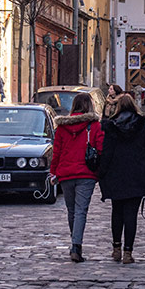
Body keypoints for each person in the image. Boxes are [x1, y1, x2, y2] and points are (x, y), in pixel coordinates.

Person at [98, 94, 145, 264]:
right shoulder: (141, 127)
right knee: (130, 215)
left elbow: (107, 153)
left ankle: (116, 248)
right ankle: (128, 252)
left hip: (116, 175)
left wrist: (100, 173)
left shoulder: (111, 127)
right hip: (136, 175)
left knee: (117, 212)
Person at [50, 92, 104, 263]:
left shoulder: (62, 127)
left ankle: (75, 243)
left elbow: (56, 152)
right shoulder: (94, 126)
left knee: (72, 211)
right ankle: (76, 246)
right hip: (86, 174)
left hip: (65, 173)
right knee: (81, 211)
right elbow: (101, 148)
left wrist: (53, 172)